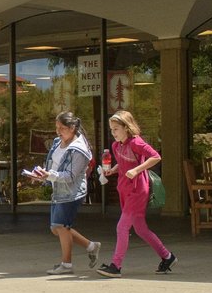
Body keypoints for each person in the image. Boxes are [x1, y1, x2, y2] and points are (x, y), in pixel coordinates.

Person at [97, 110, 176, 277]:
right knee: (140, 229)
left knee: (122, 226)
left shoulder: (136, 142)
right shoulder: (116, 145)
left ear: (127, 127)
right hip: (124, 189)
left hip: (137, 189)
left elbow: (155, 157)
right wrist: (112, 170)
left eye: (116, 129)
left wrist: (137, 170)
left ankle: (116, 266)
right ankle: (167, 256)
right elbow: (123, 162)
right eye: (112, 129)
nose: (113, 133)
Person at [28, 111, 100, 275]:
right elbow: (53, 166)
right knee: (56, 228)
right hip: (58, 189)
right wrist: (41, 175)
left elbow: (71, 176)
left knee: (61, 226)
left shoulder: (79, 149)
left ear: (72, 128)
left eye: (62, 128)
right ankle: (91, 246)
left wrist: (50, 175)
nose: (58, 131)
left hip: (71, 192)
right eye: (57, 127)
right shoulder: (56, 142)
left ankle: (66, 264)